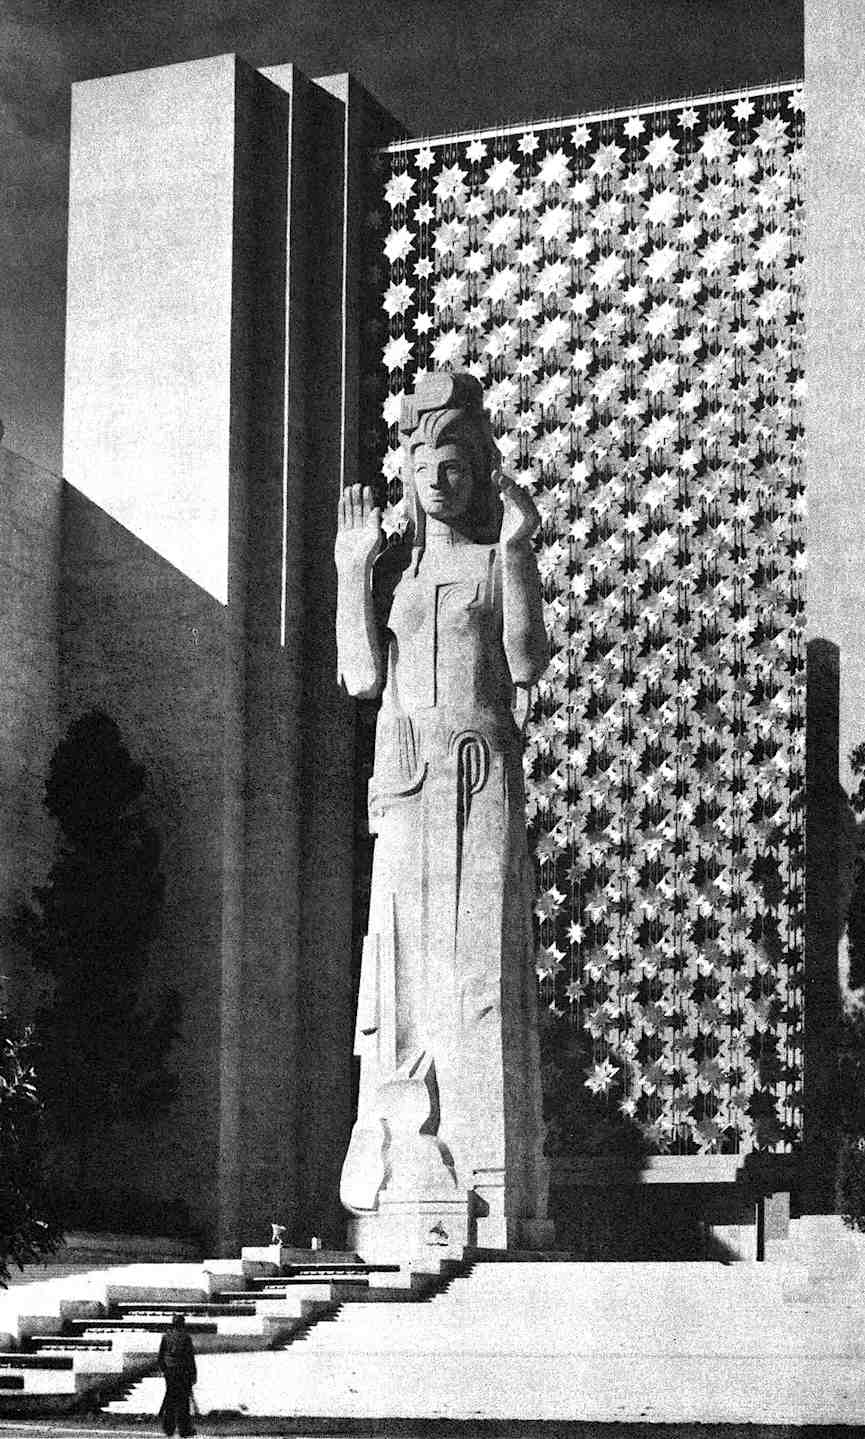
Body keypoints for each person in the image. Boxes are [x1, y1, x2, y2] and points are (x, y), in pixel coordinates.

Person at [335, 370, 550, 1248]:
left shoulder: (491, 562)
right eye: (424, 457)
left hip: (479, 774)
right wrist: (352, 572)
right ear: (409, 470)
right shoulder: (400, 576)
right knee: (400, 980)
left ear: (479, 468)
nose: (438, 474)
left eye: (455, 459)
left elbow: (528, 660)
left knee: (477, 976)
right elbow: (359, 677)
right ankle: (397, 1157)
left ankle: (491, 1186)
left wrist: (520, 547)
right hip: (409, 779)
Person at [157, 1313, 197, 1438]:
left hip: (169, 1371)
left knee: (170, 1398)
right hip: (182, 1370)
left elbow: (161, 1355)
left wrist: (164, 1369)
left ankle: (168, 1428)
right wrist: (193, 1373)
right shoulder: (186, 1338)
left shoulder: (166, 1337)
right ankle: (184, 1429)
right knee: (183, 1400)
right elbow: (190, 1357)